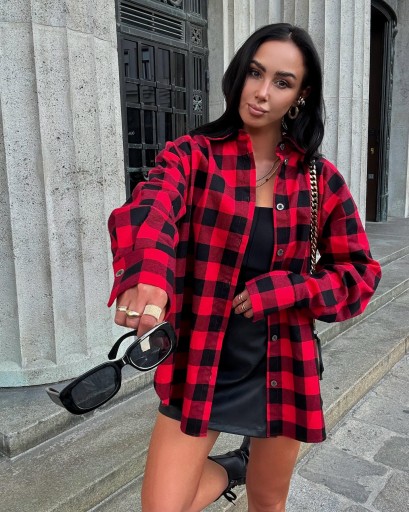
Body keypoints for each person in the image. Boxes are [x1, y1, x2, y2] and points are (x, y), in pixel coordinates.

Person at [107, 23, 382, 512]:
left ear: (301, 95)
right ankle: (231, 467)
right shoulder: (192, 156)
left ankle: (244, 469)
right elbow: (151, 208)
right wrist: (149, 274)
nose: (261, 92)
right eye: (255, 73)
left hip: (281, 363)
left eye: (282, 82)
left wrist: (288, 289)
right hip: (201, 361)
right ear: (239, 73)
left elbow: (359, 275)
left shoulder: (319, 180)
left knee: (267, 502)